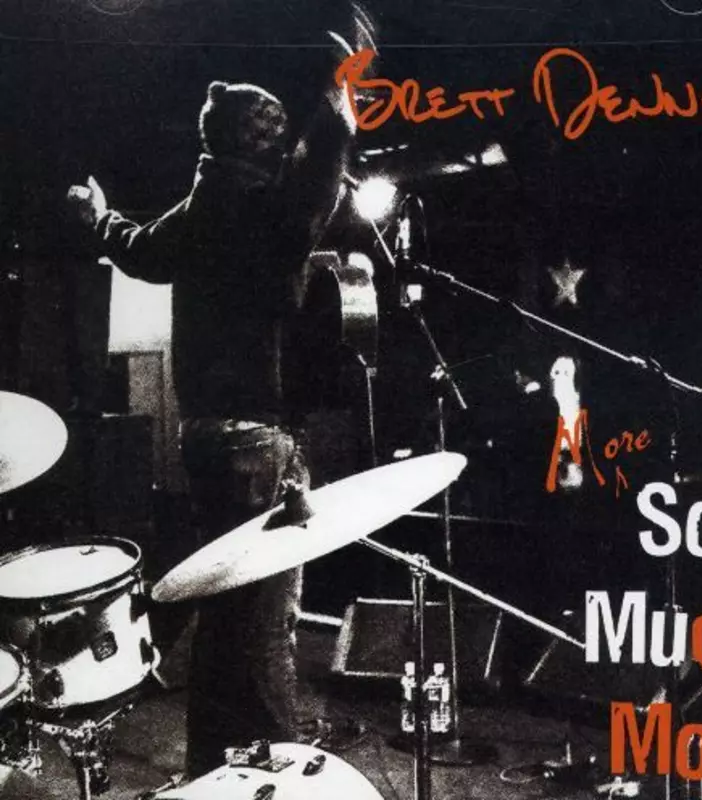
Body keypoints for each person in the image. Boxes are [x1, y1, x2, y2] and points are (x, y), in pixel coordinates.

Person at [67, 5, 375, 778]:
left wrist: (97, 215)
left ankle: (213, 767)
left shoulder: (196, 213)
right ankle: (277, 772)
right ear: (262, 147)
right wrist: (340, 101)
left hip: (202, 437)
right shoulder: (268, 214)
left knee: (226, 613)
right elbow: (320, 173)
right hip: (256, 441)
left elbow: (134, 248)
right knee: (267, 621)